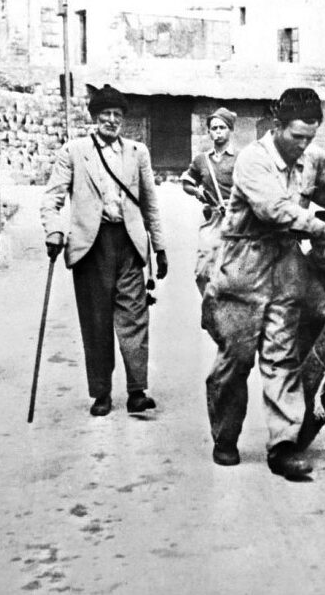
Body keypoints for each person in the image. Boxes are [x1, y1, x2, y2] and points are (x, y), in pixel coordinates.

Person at [203, 87, 325, 479]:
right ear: (278, 126)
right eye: (297, 136)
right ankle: (224, 435)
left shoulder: (313, 159)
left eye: (310, 137)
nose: (303, 145)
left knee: (281, 355)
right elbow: (277, 211)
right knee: (235, 360)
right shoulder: (253, 160)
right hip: (243, 267)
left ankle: (282, 446)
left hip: (285, 265)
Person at [41, 84, 168, 417]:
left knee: (134, 317)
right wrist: (54, 231)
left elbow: (150, 203)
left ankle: (137, 391)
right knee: (96, 322)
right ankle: (101, 392)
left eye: (117, 115)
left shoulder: (138, 152)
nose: (112, 120)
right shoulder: (74, 151)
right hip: (91, 247)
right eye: (105, 114)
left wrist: (160, 246)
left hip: (128, 243)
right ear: (94, 117)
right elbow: (52, 198)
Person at [181, 107, 238, 294]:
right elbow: (187, 183)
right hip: (212, 219)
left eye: (222, 127)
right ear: (209, 132)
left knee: (235, 271)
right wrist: (198, 193)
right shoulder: (201, 160)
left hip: (238, 220)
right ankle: (209, 309)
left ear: (230, 130)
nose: (218, 132)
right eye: (214, 128)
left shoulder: (241, 158)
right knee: (203, 270)